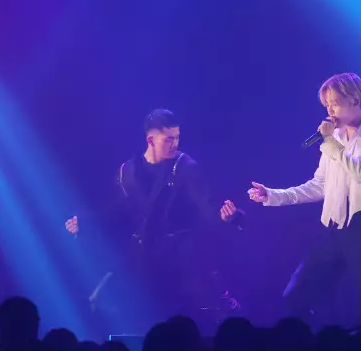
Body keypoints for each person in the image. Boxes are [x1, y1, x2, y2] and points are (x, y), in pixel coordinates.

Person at [65, 109, 242, 330]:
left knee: (193, 315)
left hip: (180, 258)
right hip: (143, 257)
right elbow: (118, 211)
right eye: (169, 139)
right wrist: (85, 223)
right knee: (114, 306)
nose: (175, 144)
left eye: (177, 137)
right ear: (150, 140)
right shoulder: (127, 172)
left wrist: (226, 216)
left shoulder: (186, 167)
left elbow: (206, 205)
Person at [248, 72, 361, 320]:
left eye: (335, 103)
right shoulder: (335, 138)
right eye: (327, 104)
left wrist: (329, 142)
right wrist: (273, 196)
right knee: (296, 296)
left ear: (354, 100)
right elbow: (319, 185)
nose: (329, 111)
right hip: (333, 227)